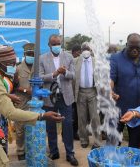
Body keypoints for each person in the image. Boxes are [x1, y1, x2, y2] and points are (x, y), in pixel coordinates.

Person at [110, 33, 140, 148]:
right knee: (113, 145)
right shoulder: (116, 59)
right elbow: (111, 79)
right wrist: (110, 91)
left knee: (135, 145)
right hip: (118, 109)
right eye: (131, 47)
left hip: (138, 111)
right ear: (126, 45)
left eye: (137, 47)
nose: (135, 50)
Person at [39, 34, 78, 166]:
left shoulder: (69, 57)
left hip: (65, 96)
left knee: (67, 125)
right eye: (53, 44)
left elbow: (73, 75)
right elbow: (40, 77)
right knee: (50, 126)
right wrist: (54, 74)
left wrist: (64, 72)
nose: (56, 46)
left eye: (58, 44)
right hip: (50, 96)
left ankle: (70, 153)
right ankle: (54, 151)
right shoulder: (42, 58)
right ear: (49, 45)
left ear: (61, 44)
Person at [74, 42, 101, 149]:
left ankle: (97, 141)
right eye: (84, 48)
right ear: (81, 50)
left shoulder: (96, 62)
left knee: (95, 117)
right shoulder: (75, 61)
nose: (86, 50)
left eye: (88, 48)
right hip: (80, 92)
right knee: (81, 118)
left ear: (91, 50)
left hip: (93, 92)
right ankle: (84, 139)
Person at [13, 43, 35, 160]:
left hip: (34, 102)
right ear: (24, 55)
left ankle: (31, 149)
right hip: (21, 102)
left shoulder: (38, 67)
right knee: (20, 129)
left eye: (33, 54)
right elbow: (14, 86)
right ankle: (20, 151)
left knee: (32, 127)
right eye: (29, 54)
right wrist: (26, 90)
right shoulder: (17, 69)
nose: (31, 56)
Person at [71, 44, 81, 140]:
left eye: (80, 52)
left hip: (78, 94)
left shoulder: (80, 63)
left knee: (77, 115)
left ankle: (75, 132)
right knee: (71, 115)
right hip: (71, 93)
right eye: (77, 52)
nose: (79, 53)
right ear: (73, 52)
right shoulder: (70, 62)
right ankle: (69, 133)